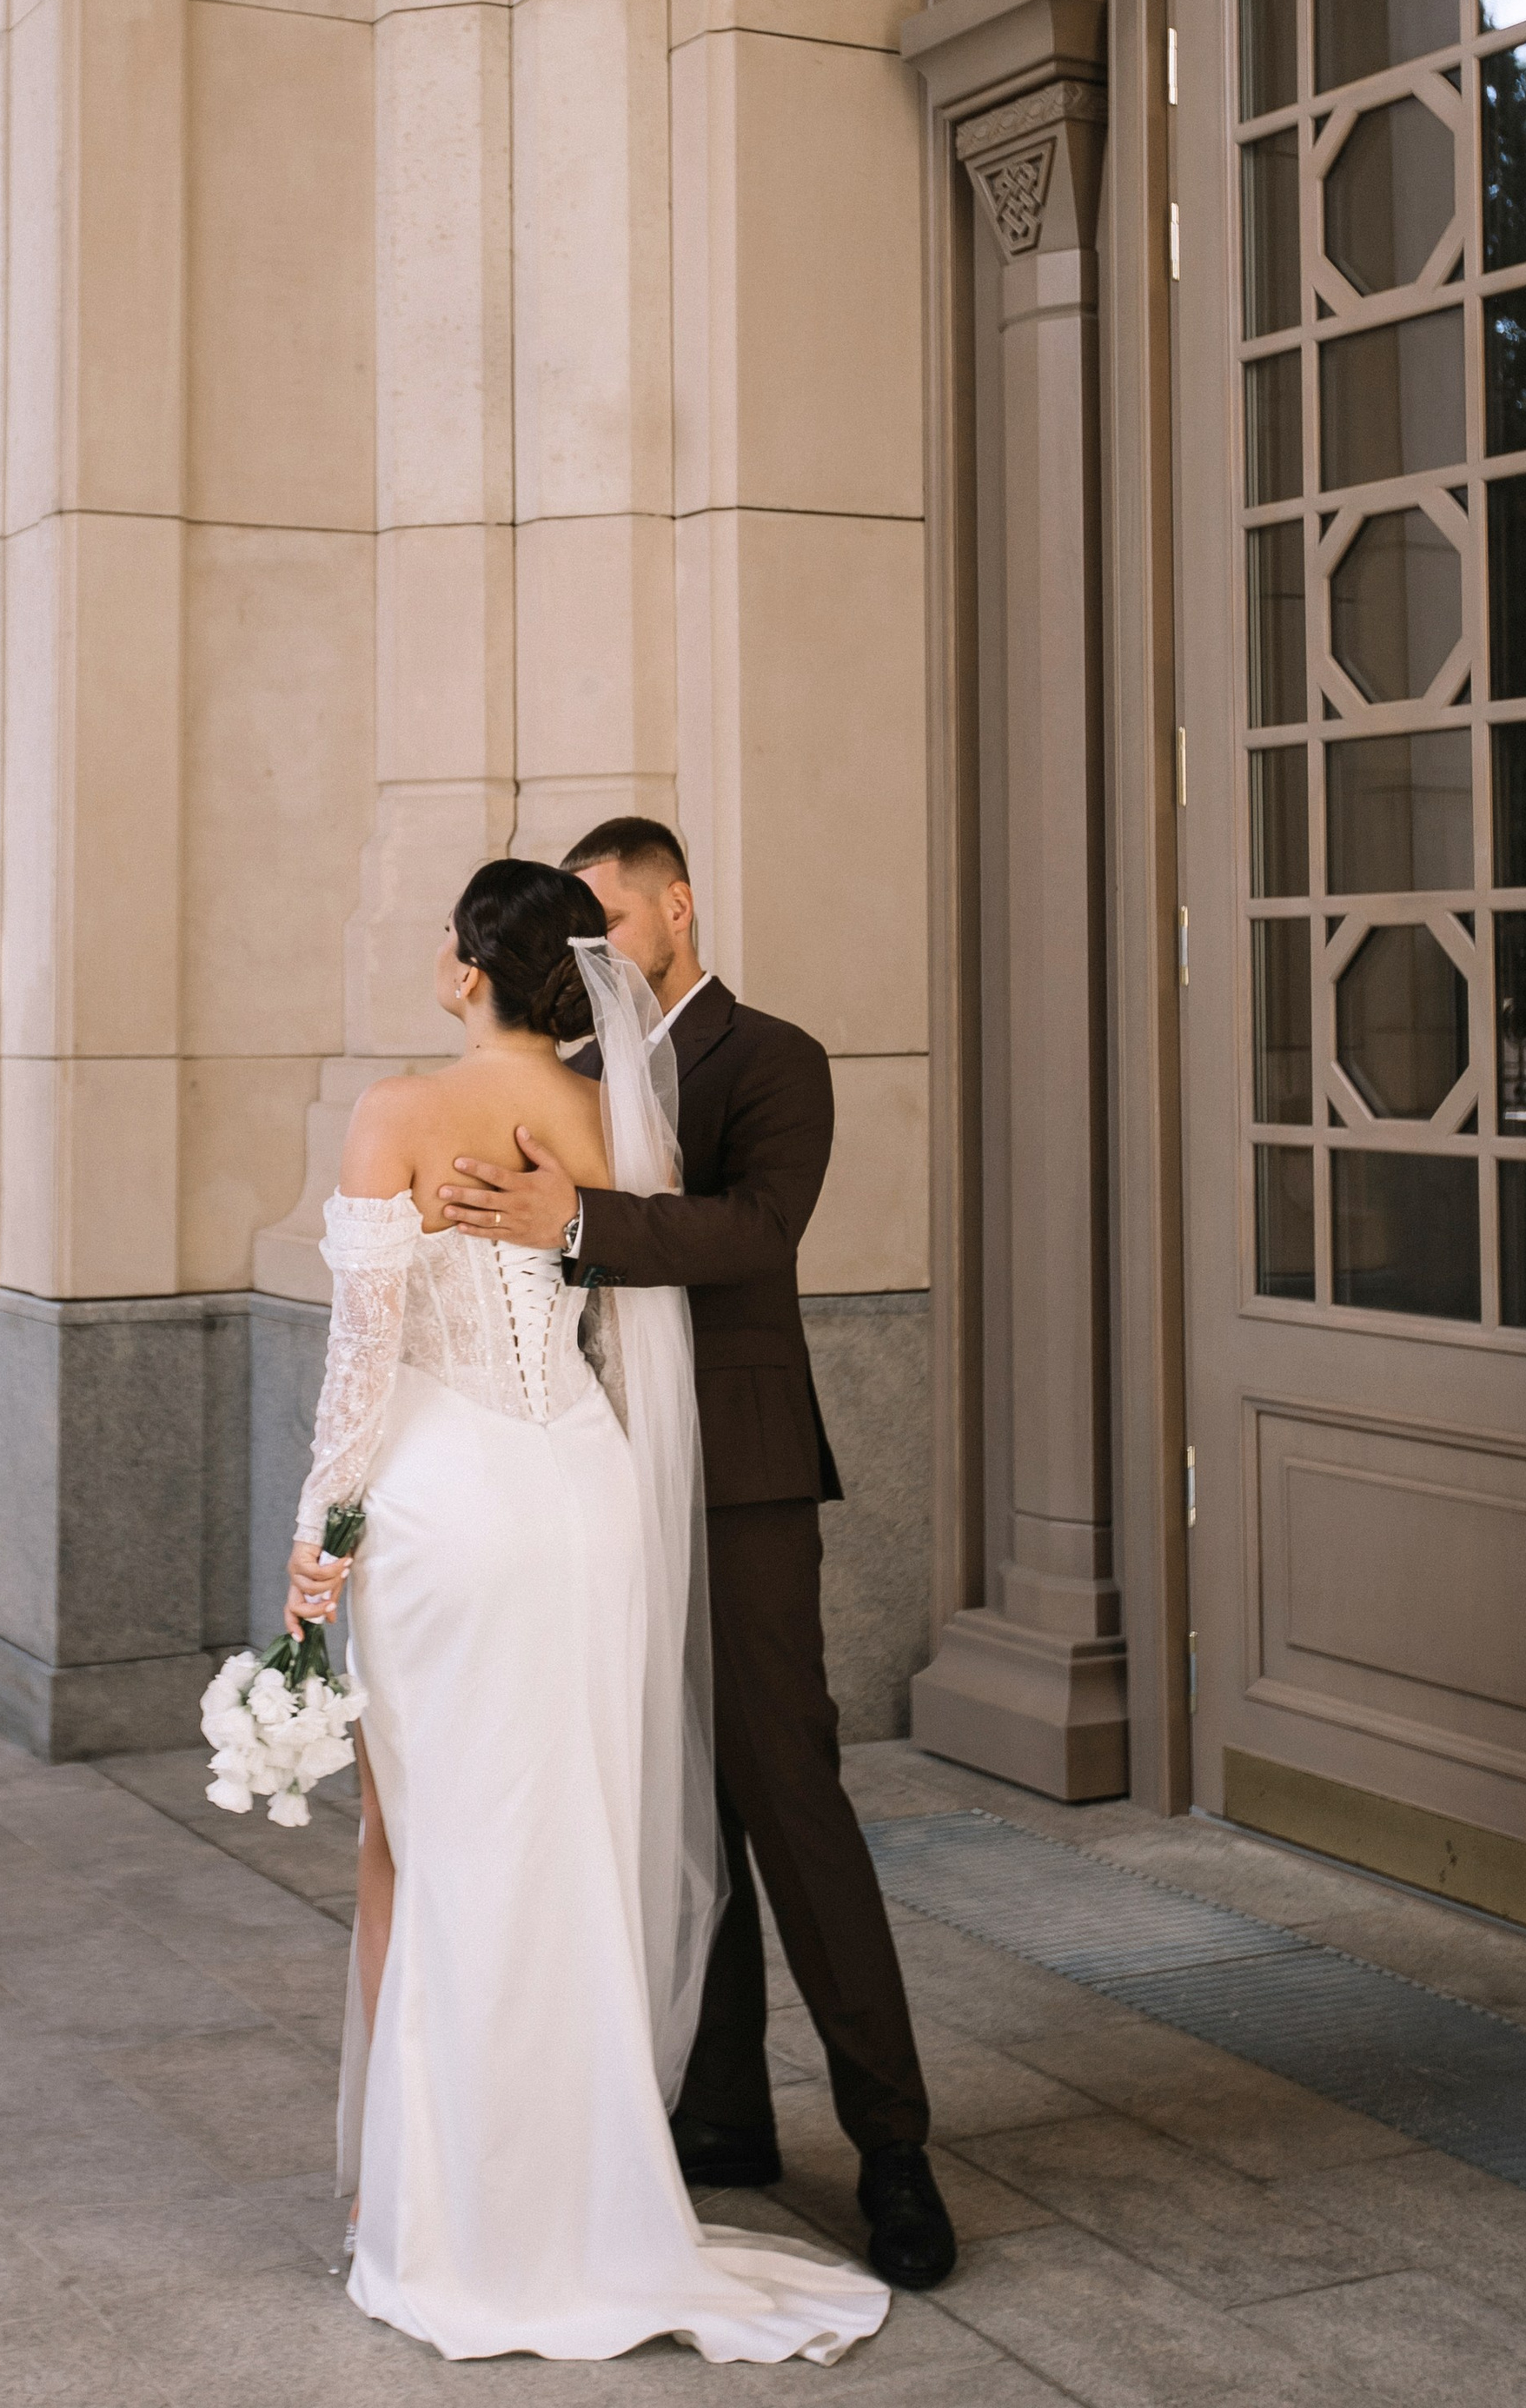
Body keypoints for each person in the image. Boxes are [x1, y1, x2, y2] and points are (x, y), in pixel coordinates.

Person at [285, 856, 890, 2366]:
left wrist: (318, 1541)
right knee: (566, 1835)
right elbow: (632, 1331)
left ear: (466, 968)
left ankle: (437, 2213)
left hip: (446, 1506)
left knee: (416, 1838)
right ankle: (577, 2195)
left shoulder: (393, 1118)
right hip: (583, 1490)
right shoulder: (613, 1118)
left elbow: (362, 1364)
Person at [436, 820, 956, 2295]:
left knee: (787, 1793)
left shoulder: (772, 1057)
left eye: (607, 916)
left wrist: (582, 1220)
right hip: (586, 1481)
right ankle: (719, 2113)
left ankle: (896, 2148)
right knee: (650, 1782)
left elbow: (760, 1231)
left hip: (739, 1483)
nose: (585, 948)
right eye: (568, 927)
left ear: (675, 904)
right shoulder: (565, 1075)